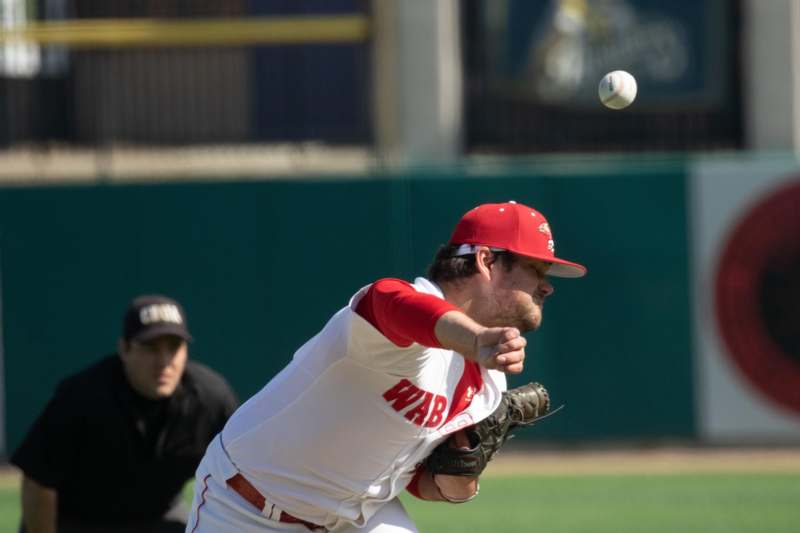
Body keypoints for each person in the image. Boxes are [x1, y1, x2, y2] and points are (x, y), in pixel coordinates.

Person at [187, 201, 586, 532]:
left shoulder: (487, 381)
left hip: (356, 517)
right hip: (244, 506)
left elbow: (425, 483)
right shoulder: (402, 314)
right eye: (536, 268)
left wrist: (463, 472)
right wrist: (477, 339)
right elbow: (387, 301)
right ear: (486, 261)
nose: (547, 285)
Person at [11, 295, 239, 533]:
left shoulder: (210, 400)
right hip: (80, 521)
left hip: (159, 516)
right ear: (124, 349)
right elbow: (37, 483)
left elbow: (242, 470)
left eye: (174, 347)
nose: (164, 361)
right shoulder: (82, 398)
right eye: (150, 348)